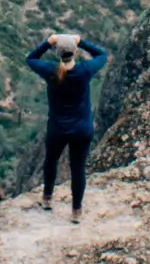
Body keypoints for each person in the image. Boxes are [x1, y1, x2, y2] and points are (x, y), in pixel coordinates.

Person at [25, 32, 108, 223]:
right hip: (82, 129)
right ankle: (76, 211)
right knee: (78, 168)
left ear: (57, 53)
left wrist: (48, 42)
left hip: (57, 129)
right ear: (75, 52)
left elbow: (30, 58)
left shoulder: (51, 71)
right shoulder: (85, 70)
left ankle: (47, 198)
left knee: (51, 161)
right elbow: (102, 55)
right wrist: (81, 41)